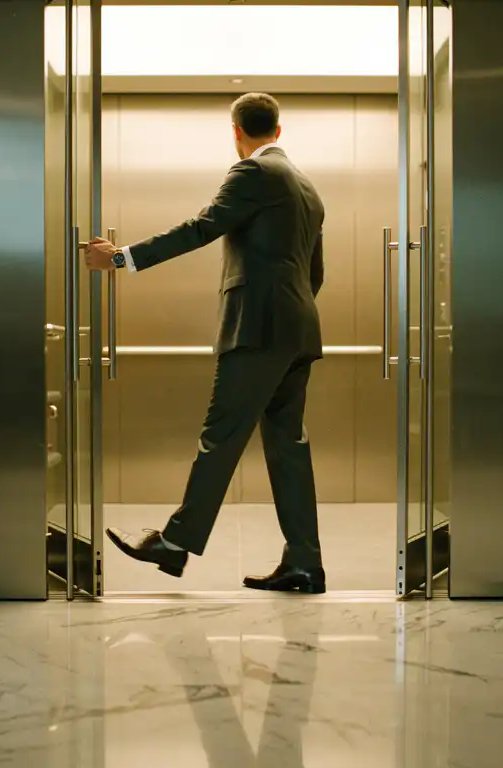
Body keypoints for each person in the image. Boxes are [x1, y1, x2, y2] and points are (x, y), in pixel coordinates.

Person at [84, 92, 326, 594]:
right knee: (287, 446)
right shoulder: (307, 188)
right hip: (297, 330)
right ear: (277, 131)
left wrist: (121, 258)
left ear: (236, 131)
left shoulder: (253, 174)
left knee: (221, 435)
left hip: (257, 330)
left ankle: (174, 545)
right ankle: (304, 562)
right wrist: (288, 320)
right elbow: (313, 272)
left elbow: (203, 227)